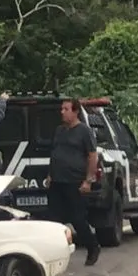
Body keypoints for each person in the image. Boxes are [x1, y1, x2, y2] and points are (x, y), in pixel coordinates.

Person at [49, 97, 102, 266]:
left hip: (75, 181)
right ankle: (56, 253)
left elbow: (92, 156)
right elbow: (55, 152)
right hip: (57, 181)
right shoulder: (59, 130)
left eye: (66, 109)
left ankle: (92, 246)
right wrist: (50, 174)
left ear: (75, 111)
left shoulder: (84, 131)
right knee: (54, 218)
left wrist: (88, 180)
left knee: (77, 218)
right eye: (62, 109)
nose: (62, 112)